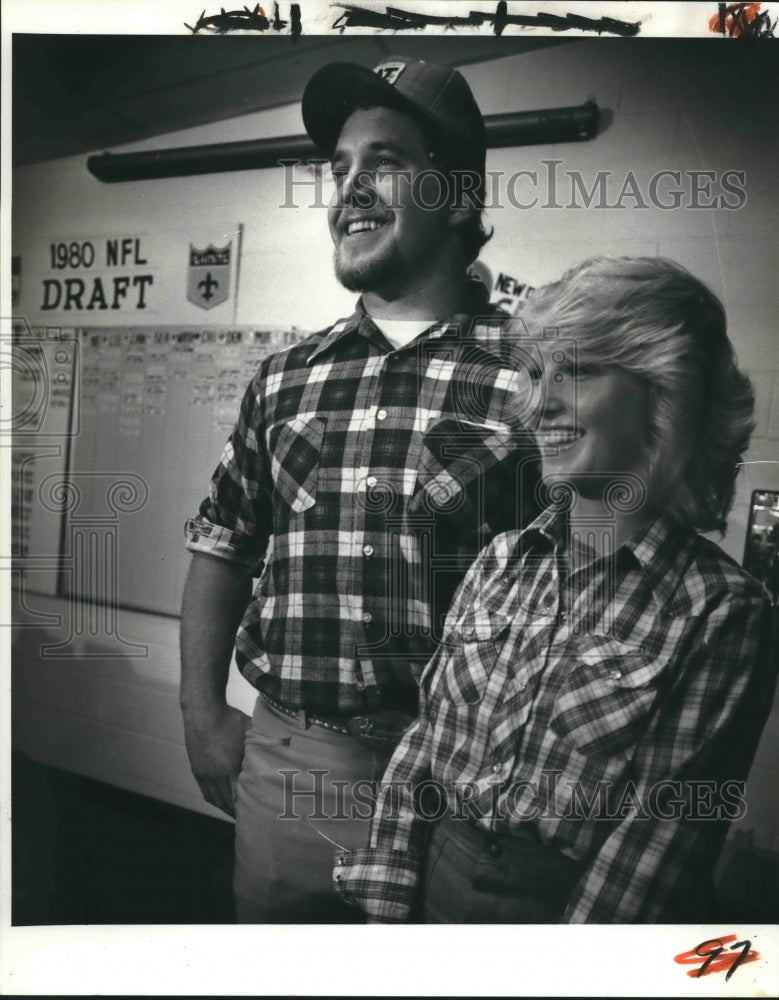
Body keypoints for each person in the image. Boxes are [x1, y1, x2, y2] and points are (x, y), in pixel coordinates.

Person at [179, 55, 540, 923]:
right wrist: (201, 715)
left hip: (464, 787)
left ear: (457, 198)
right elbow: (223, 546)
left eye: (384, 162)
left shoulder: (536, 376)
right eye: (339, 171)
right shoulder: (282, 380)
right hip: (293, 764)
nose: (350, 189)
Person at [332, 255, 776, 923]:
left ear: (667, 393)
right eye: (536, 373)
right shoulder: (501, 561)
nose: (540, 402)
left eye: (579, 370)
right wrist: (388, 906)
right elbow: (423, 747)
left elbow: (654, 845)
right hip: (432, 889)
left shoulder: (718, 611)